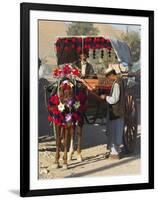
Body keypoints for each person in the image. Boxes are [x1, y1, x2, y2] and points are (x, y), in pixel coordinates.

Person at [100, 68, 125, 159]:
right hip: (119, 111)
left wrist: (105, 97)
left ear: (111, 75)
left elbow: (114, 99)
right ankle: (116, 150)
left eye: (108, 77)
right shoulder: (120, 81)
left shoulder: (117, 84)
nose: (109, 80)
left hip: (115, 111)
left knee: (114, 131)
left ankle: (115, 152)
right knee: (117, 131)